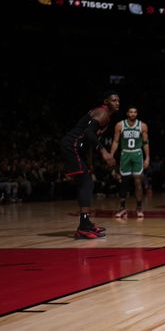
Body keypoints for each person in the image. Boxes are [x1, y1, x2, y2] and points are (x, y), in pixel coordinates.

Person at [60, 90, 120, 239]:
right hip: (71, 145)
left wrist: (90, 163)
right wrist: (104, 152)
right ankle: (83, 227)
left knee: (86, 182)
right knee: (86, 182)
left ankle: (85, 223)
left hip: (76, 147)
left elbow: (88, 142)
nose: (117, 103)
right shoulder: (103, 113)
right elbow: (89, 133)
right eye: (113, 100)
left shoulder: (103, 114)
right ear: (106, 102)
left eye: (118, 100)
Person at [109, 106, 150, 218]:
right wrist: (111, 155)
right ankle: (123, 208)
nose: (133, 114)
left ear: (137, 114)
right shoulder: (120, 125)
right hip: (125, 154)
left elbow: (145, 143)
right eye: (131, 112)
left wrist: (147, 157)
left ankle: (139, 207)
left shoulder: (142, 125)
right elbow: (116, 141)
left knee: (138, 182)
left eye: (135, 112)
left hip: (137, 153)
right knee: (124, 182)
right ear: (127, 113)